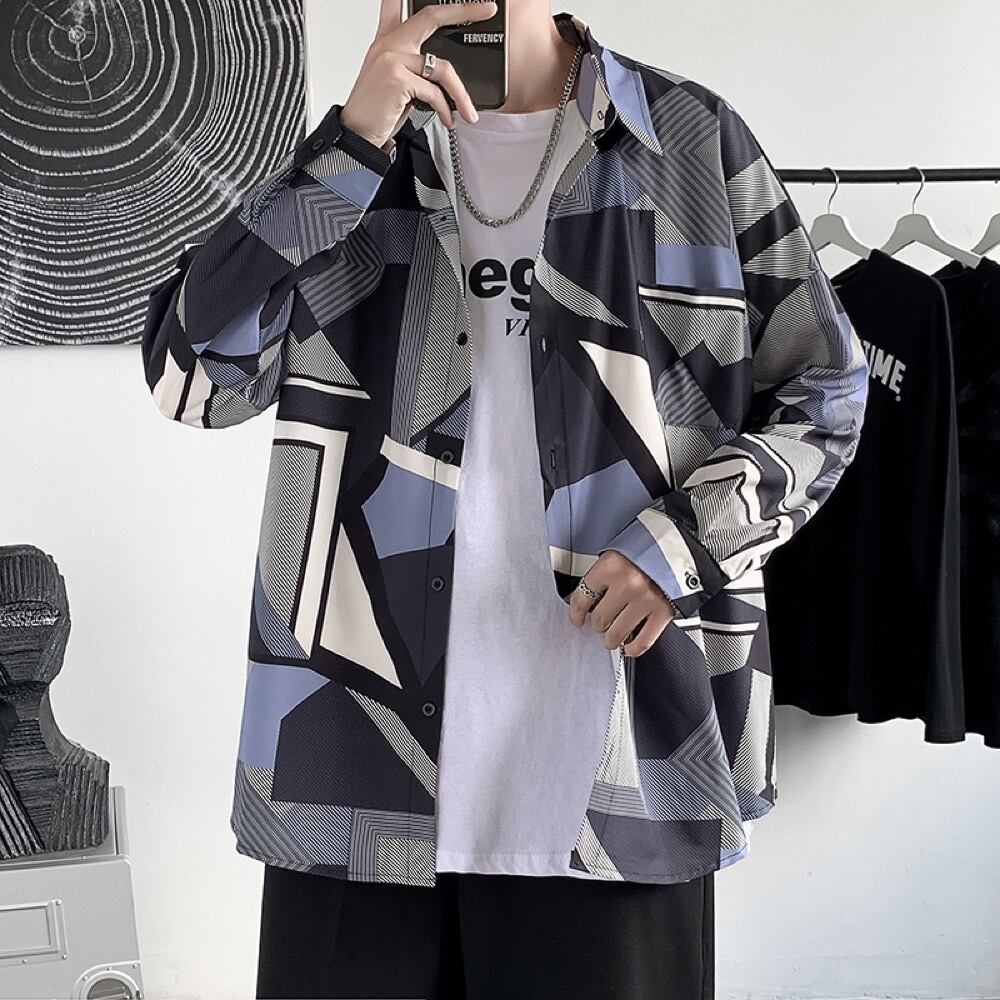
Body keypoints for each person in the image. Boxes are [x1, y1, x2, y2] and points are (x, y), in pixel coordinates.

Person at [139, 1, 869, 997]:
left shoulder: (688, 142)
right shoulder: (357, 160)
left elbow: (826, 390)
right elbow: (189, 378)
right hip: (353, 772)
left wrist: (681, 546)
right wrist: (348, 146)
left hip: (617, 773)